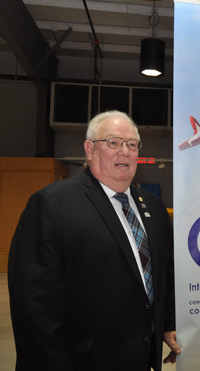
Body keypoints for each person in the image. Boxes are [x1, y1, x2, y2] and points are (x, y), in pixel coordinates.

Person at [8, 110, 180, 371]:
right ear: (89, 150)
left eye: (132, 144)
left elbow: (165, 273)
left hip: (143, 358)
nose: (124, 151)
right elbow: (34, 309)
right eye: (113, 142)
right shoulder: (51, 205)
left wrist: (168, 324)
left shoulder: (155, 209)